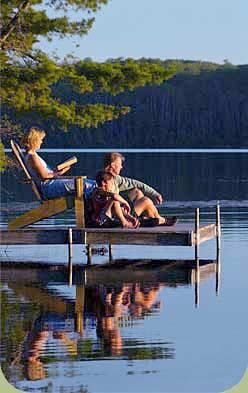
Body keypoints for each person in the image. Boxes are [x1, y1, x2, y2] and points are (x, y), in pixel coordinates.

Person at [103, 152, 178, 226]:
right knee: (146, 200)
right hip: (117, 216)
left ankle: (149, 218)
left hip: (119, 210)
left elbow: (135, 183)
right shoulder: (106, 180)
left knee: (137, 192)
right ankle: (161, 220)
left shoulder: (116, 178)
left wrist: (154, 193)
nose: (121, 167)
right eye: (120, 164)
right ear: (113, 165)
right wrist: (124, 205)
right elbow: (111, 201)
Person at [22, 127, 95, 200]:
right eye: (40, 139)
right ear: (34, 140)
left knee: (90, 183)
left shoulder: (32, 155)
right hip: (49, 188)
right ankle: (91, 208)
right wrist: (60, 173)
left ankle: (91, 207)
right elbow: (44, 176)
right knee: (88, 184)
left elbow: (45, 174)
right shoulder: (32, 157)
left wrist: (59, 170)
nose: (41, 142)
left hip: (51, 185)